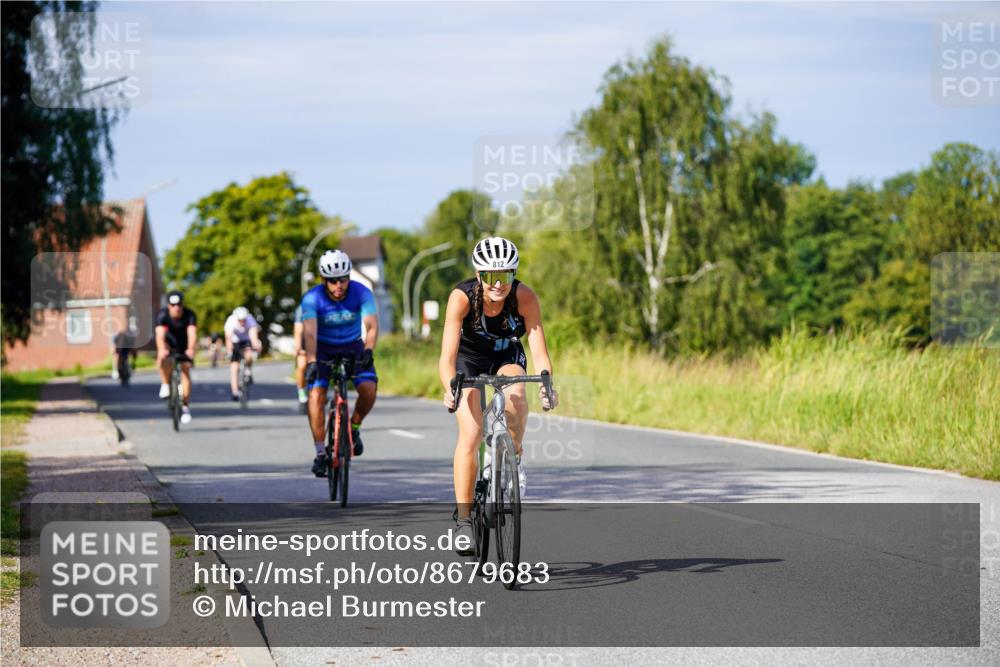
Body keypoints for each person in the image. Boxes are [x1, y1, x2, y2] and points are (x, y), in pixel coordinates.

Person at [439, 237, 558, 552]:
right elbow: (447, 358)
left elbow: (539, 350)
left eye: (504, 276)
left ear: (513, 275)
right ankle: (464, 521)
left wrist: (547, 384)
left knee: (517, 395)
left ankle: (513, 457)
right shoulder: (461, 298)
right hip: (468, 359)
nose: (497, 284)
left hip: (506, 357)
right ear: (479, 275)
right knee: (472, 432)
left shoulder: (524, 297)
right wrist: (449, 387)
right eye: (490, 276)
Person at [301, 249, 379, 477]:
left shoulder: (361, 292)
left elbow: (372, 326)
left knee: (368, 389)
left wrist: (368, 350)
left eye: (343, 279)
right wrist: (313, 361)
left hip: (352, 345)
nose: (339, 285)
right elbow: (310, 335)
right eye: (332, 281)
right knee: (316, 396)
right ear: (324, 280)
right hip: (322, 347)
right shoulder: (312, 298)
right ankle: (319, 453)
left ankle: (353, 427)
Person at [155, 290, 197, 424]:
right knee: (163, 358)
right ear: (168, 306)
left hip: (184, 344)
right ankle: (165, 384)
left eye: (179, 304)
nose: (176, 308)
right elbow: (160, 336)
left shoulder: (189, 315)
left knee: (185, 369)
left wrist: (191, 349)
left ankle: (185, 406)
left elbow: (192, 333)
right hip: (169, 343)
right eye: (173, 305)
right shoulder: (162, 315)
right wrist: (162, 350)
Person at [224, 306, 262, 401]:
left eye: (243, 320)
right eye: (240, 320)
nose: (242, 322)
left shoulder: (250, 320)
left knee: (249, 355)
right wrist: (229, 351)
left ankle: (248, 371)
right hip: (234, 340)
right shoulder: (230, 321)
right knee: (234, 367)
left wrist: (256, 346)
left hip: (246, 339)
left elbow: (253, 336)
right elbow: (228, 338)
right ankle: (235, 391)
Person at [292, 304, 308, 413]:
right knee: (302, 366)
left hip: (320, 338)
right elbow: (298, 331)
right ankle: (302, 394)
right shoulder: (301, 309)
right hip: (304, 339)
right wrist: (298, 348)